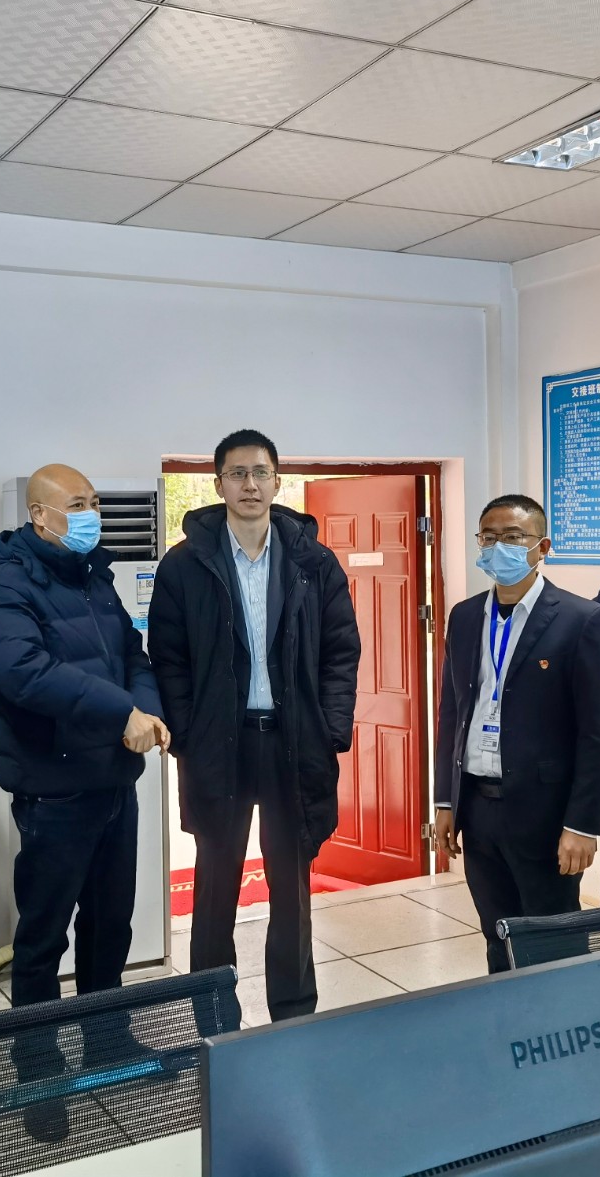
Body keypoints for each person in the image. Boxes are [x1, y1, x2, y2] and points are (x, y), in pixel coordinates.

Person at [147, 429, 360, 1021]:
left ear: (277, 481)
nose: (250, 484)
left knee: (292, 884)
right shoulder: (185, 565)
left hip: (294, 741)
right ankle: (212, 1013)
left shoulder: (313, 562)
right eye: (237, 473)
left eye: (260, 472)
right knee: (216, 881)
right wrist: (187, 733)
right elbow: (168, 658)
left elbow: (341, 651)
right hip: (220, 743)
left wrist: (330, 727)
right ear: (219, 484)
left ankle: (293, 1012)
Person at [0, 464, 168, 1013]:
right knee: (44, 937)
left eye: (94, 504)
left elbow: (132, 654)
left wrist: (146, 712)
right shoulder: (4, 585)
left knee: (111, 927)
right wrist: (121, 714)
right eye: (77, 505)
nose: (91, 516)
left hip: (113, 783)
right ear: (39, 514)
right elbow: (25, 673)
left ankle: (105, 1039)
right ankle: (37, 1053)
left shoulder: (95, 577)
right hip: (54, 791)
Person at [433, 494, 600, 971]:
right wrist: (445, 801)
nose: (499, 548)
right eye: (489, 538)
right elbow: (452, 713)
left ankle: (561, 1017)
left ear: (543, 547)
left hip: (546, 813)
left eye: (513, 537)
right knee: (497, 932)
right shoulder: (465, 616)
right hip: (478, 806)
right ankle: (507, 1013)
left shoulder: (583, 620)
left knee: (553, 940)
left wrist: (583, 824)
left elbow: (598, 735)